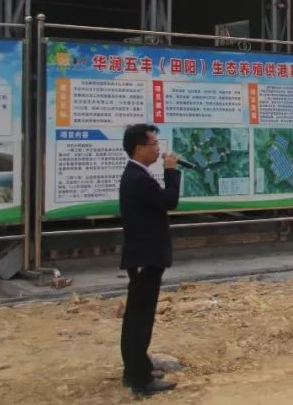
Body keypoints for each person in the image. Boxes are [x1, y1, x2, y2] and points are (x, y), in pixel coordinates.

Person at [119, 124, 181, 396]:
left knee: (139, 315)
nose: (159, 148)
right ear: (139, 148)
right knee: (139, 319)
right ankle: (140, 380)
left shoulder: (138, 174)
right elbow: (170, 201)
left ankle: (137, 366)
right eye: (154, 144)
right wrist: (171, 171)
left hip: (145, 256)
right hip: (145, 257)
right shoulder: (138, 177)